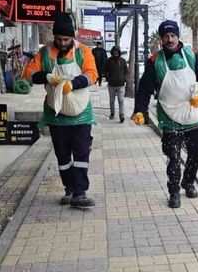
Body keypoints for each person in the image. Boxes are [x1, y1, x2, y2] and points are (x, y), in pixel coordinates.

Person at [131, 20, 198, 208]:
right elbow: (144, 90)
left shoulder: (191, 54)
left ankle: (189, 182)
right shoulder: (155, 61)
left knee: (196, 151)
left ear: (178, 36)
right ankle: (174, 191)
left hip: (193, 113)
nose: (170, 39)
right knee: (173, 156)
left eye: (173, 35)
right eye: (166, 36)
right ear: (161, 39)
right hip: (169, 116)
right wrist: (140, 110)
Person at [23, 13, 98, 209]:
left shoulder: (83, 52)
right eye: (59, 39)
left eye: (66, 39)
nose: (63, 43)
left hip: (81, 113)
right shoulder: (45, 53)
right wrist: (46, 77)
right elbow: (28, 74)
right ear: (54, 37)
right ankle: (69, 188)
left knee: (81, 152)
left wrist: (74, 83)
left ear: (72, 36)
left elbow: (92, 75)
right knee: (62, 155)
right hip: (56, 113)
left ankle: (80, 193)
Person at [104, 46, 129, 122]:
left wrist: (124, 79)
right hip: (111, 85)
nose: (116, 54)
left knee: (121, 100)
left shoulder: (122, 61)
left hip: (121, 85)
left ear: (119, 53)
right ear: (112, 53)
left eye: (117, 52)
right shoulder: (108, 61)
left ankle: (121, 115)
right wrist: (109, 78)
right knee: (112, 101)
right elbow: (105, 71)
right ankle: (112, 113)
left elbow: (126, 71)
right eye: (114, 52)